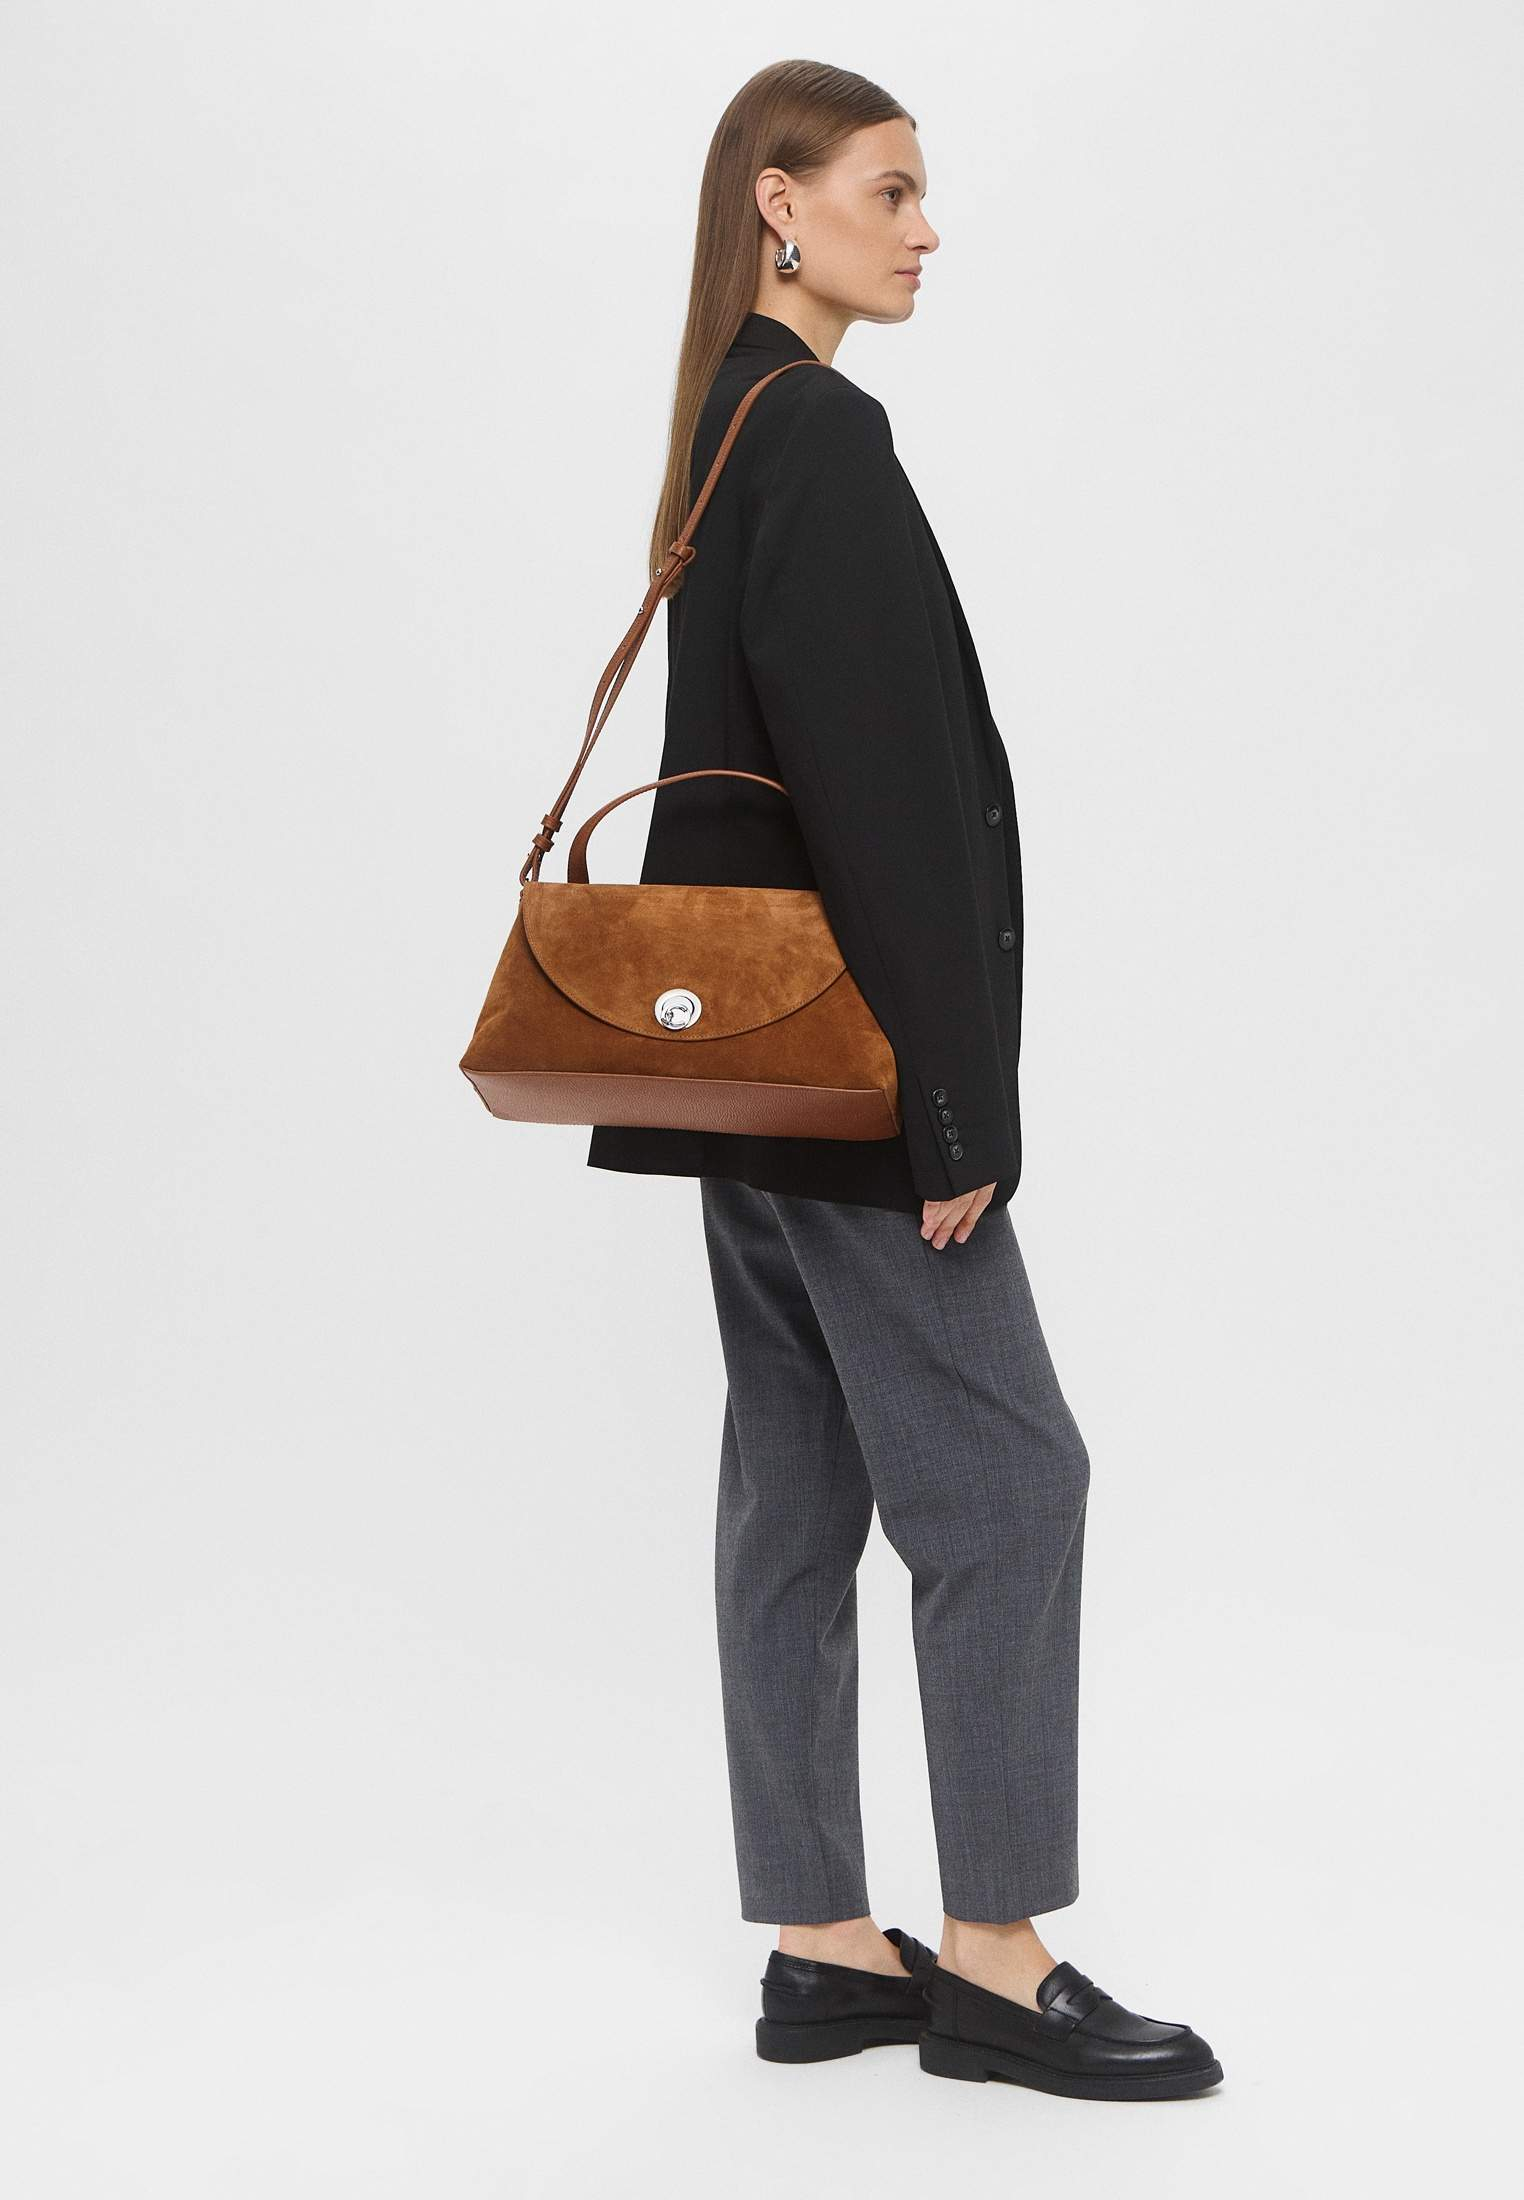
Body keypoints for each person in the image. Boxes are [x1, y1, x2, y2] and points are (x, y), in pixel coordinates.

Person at [585, 59, 1222, 2101]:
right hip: (852, 1080)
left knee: (795, 1481)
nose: (928, 229)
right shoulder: (820, 431)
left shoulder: (728, 424)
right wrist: (954, 1104)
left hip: (744, 1072)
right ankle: (998, 1959)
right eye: (893, 189)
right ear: (783, 207)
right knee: (1013, 1478)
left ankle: (819, 1940)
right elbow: (880, 801)